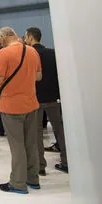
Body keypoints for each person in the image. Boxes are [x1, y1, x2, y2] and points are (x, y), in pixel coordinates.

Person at [0, 27, 42, 194]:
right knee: (31, 144)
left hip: (11, 105)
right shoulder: (32, 51)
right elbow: (38, 76)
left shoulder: (4, 53)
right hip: (31, 103)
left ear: (5, 36)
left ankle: (18, 183)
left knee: (17, 146)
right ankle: (33, 179)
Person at [24, 27, 68, 174]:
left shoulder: (28, 54)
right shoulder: (52, 53)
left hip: (34, 98)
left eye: (26, 37)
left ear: (30, 37)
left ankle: (40, 166)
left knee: (36, 133)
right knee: (59, 130)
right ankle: (66, 161)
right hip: (53, 97)